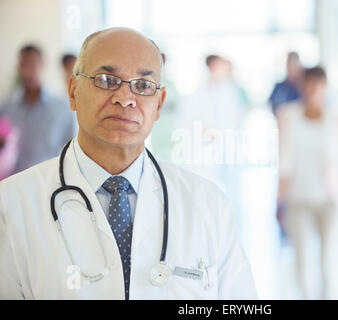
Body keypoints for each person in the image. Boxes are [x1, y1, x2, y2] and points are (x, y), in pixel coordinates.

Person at [0, 27, 256, 300]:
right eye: (106, 79)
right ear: (73, 92)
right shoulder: (11, 205)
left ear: (159, 104)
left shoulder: (209, 204)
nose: (125, 98)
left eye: (143, 85)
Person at [277, 66, 338, 299]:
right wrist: (278, 201)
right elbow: (283, 162)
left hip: (330, 200)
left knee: (329, 261)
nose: (312, 91)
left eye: (317, 86)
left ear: (325, 88)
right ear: (302, 87)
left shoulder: (337, 120)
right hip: (298, 198)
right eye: (308, 86)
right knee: (301, 260)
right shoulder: (288, 115)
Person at [0, 45, 76, 174]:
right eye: (23, 64)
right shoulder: (7, 108)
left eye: (32, 64)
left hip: (50, 184)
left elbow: (71, 153)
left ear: (43, 65)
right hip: (13, 183)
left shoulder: (63, 109)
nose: (27, 72)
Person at [268, 52, 303, 116]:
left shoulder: (303, 89)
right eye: (289, 64)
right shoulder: (279, 87)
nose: (291, 68)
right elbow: (271, 105)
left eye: (294, 64)